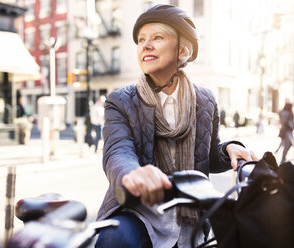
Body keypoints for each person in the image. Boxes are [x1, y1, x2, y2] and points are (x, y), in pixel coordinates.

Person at [95, 4, 258, 248]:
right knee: (114, 238)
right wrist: (132, 174)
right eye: (141, 40)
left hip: (190, 217)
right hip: (140, 214)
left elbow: (208, 154)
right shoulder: (120, 101)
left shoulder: (205, 100)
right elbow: (117, 152)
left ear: (182, 50)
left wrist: (228, 150)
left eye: (157, 37)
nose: (145, 45)